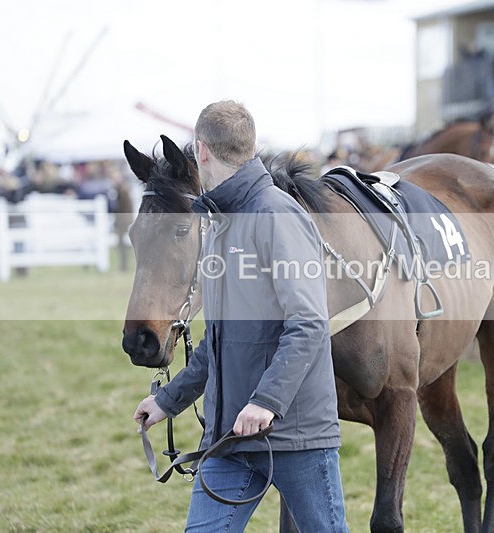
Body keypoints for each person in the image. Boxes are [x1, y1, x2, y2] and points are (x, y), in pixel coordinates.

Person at [133, 100, 348, 532]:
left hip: (296, 439)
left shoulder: (277, 215)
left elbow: (308, 324)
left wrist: (265, 402)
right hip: (229, 438)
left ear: (202, 152)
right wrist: (168, 400)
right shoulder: (218, 222)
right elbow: (219, 340)